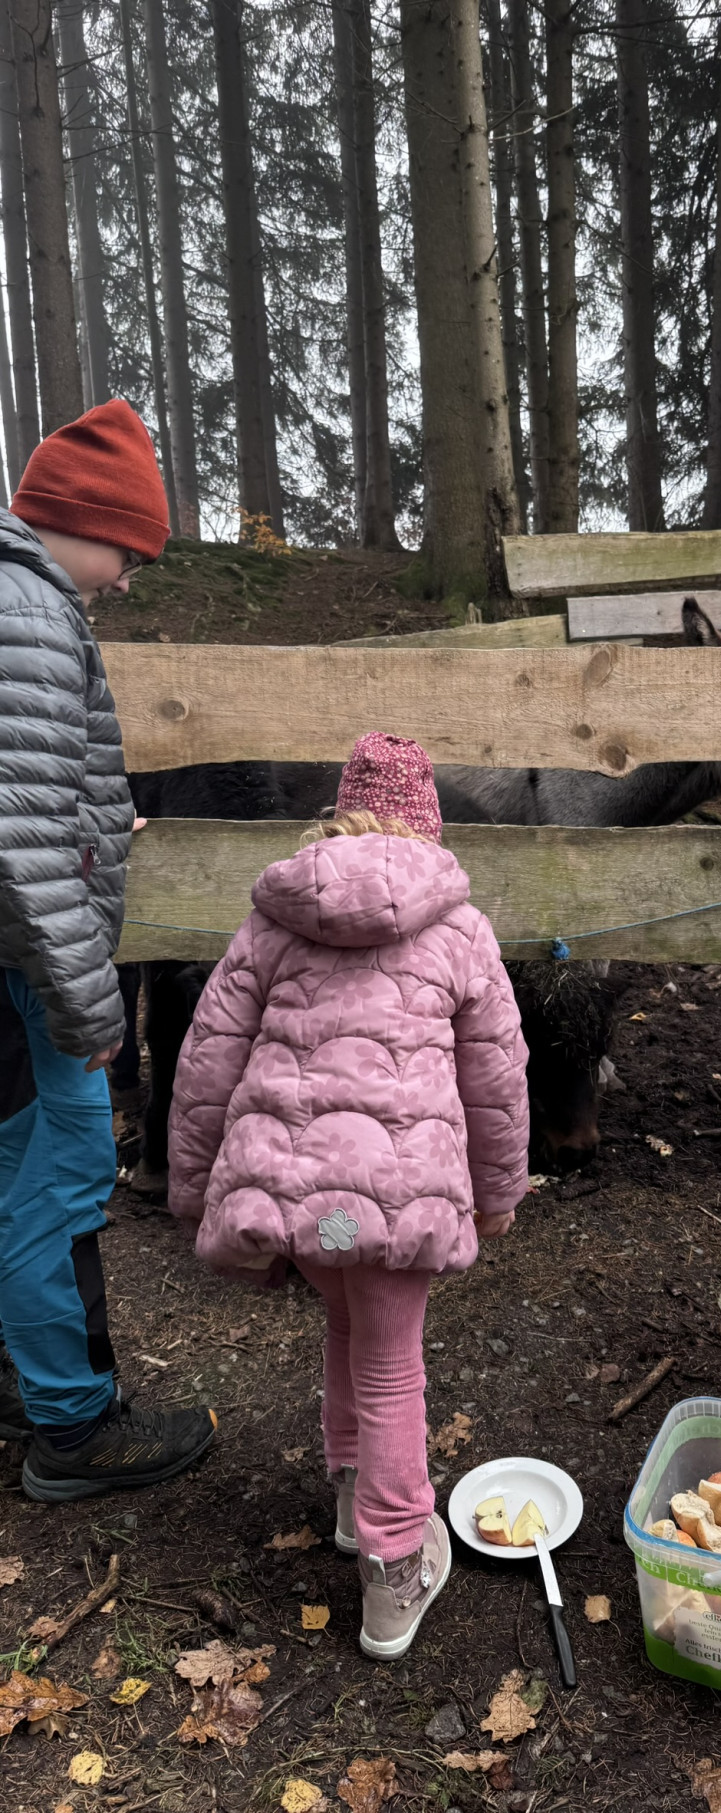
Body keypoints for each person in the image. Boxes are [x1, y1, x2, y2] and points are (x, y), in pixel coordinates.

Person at [168, 733, 529, 1659]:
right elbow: (496, 1079)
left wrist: (192, 1184)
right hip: (402, 1203)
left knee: (345, 1320)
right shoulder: (461, 928)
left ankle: (348, 1490)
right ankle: (396, 1563)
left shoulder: (273, 919)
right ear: (428, 821)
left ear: (339, 812)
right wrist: (498, 1194)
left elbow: (206, 1059)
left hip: (313, 1214)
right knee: (392, 1361)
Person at [0, 399, 216, 1501]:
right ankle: (74, 1425)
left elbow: (32, 799)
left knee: (13, 1161)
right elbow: (21, 843)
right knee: (70, 1169)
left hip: (10, 956)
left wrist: (95, 822)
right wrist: (93, 1013)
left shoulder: (17, 600)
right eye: (130, 551)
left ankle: (25, 1369)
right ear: (82, 519)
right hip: (31, 967)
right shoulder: (33, 617)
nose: (129, 578)